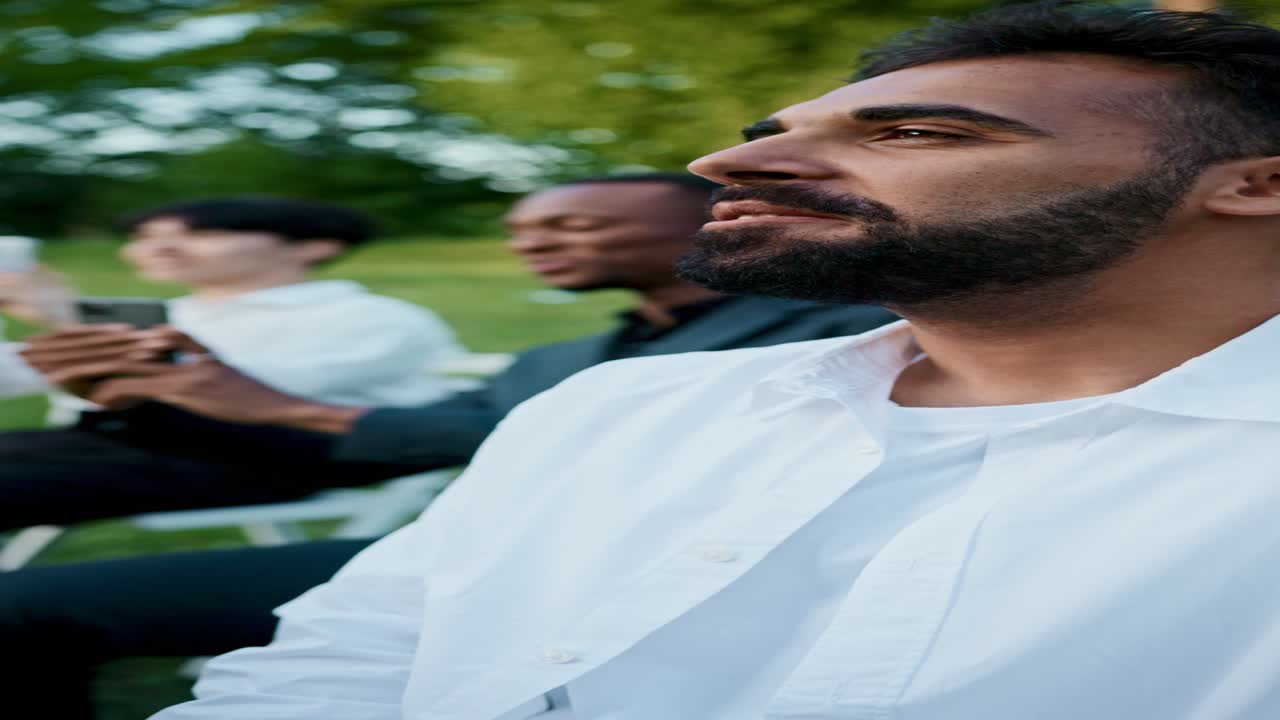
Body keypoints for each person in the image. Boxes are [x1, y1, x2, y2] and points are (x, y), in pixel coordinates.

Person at [126, 2, 1280, 717]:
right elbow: (346, 668)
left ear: (1256, 186)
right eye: (777, 131)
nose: (727, 159)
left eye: (914, 132)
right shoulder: (625, 406)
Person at [0, 173, 895, 719]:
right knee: (25, 605)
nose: (532, 243)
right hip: (478, 552)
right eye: (521, 230)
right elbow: (389, 448)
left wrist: (287, 404)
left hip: (651, 569)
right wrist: (151, 399)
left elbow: (585, 443)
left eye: (570, 225)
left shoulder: (832, 335)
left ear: (720, 220)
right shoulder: (562, 355)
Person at [0, 196, 465, 529]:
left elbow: (242, 395)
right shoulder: (180, 314)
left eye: (203, 232)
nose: (159, 247)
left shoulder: (375, 318)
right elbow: (17, 374)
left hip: (259, 459)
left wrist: (65, 317)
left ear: (316, 246)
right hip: (104, 445)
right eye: (144, 236)